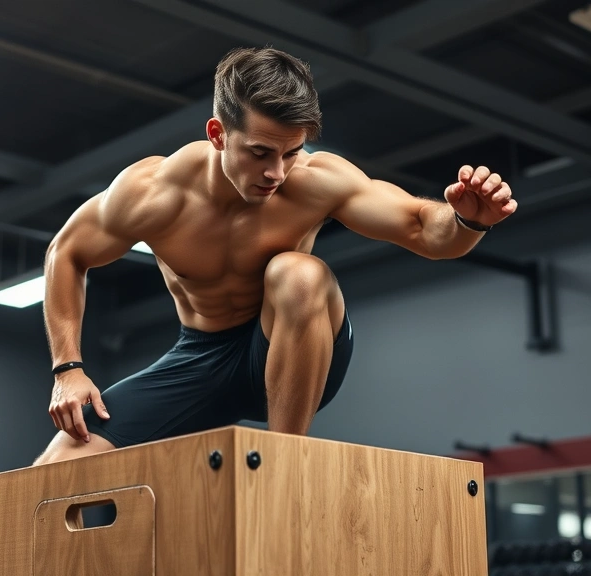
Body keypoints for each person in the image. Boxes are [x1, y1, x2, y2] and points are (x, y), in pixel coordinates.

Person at [32, 46, 516, 466]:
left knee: (297, 273)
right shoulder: (153, 192)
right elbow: (66, 252)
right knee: (52, 471)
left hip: (294, 345)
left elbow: (425, 230)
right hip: (200, 357)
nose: (276, 173)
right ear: (218, 134)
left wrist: (468, 221)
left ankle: (284, 465)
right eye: (260, 152)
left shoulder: (317, 181)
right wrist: (68, 370)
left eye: (291, 153)